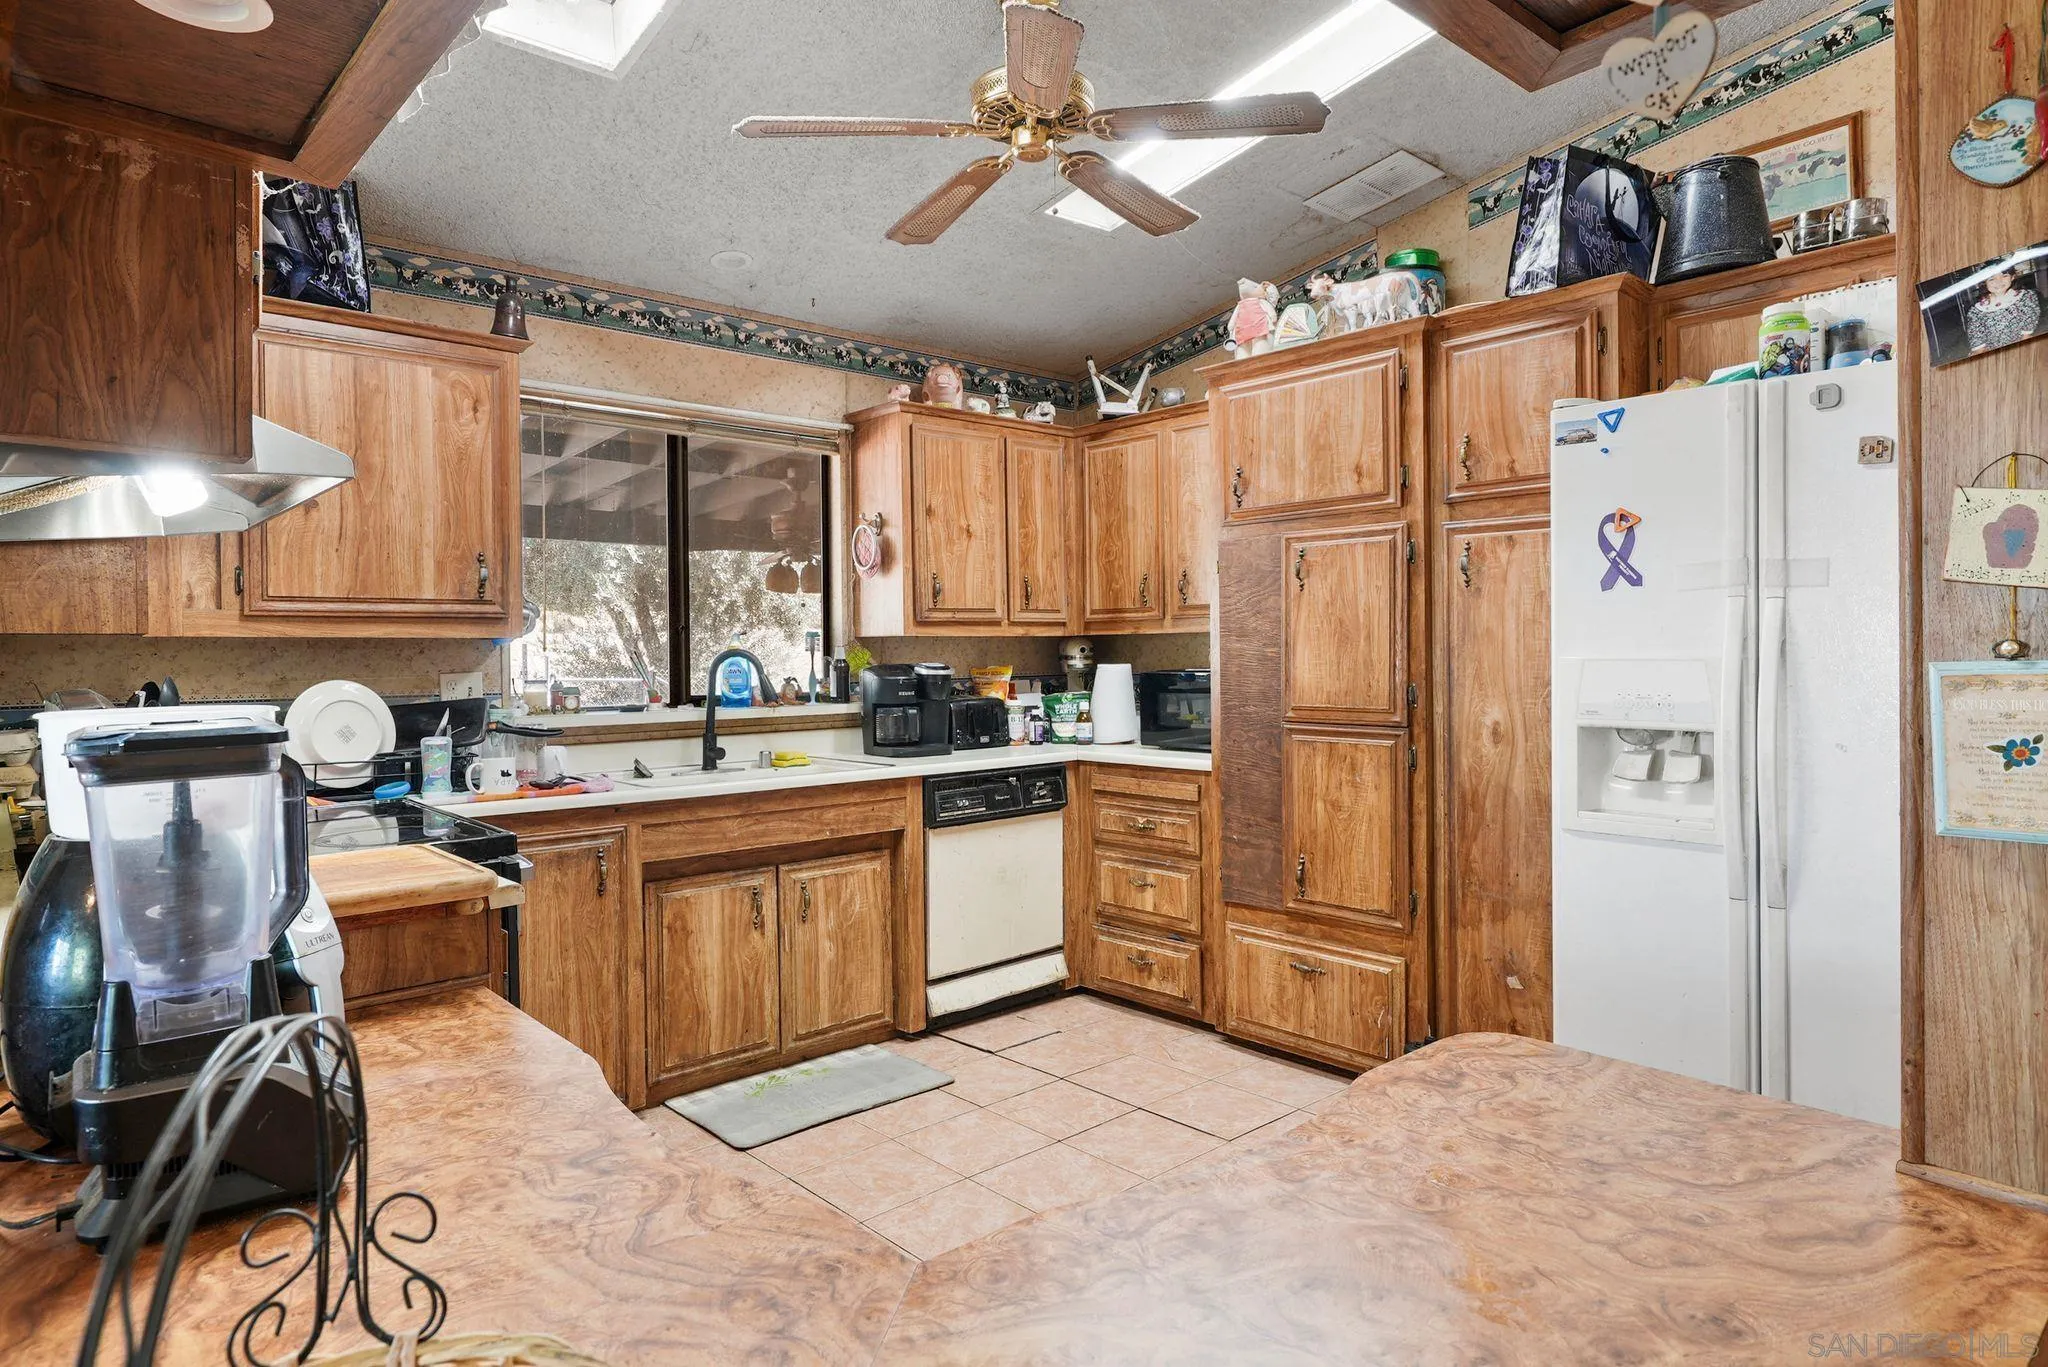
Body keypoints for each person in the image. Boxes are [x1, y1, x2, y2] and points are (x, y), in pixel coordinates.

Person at [1965, 265, 2042, 354]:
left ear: (2012, 277)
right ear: (1984, 282)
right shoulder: (1976, 311)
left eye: (2004, 275)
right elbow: (1978, 346)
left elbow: (2026, 335)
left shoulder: (2025, 298)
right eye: (1991, 278)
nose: (1999, 281)